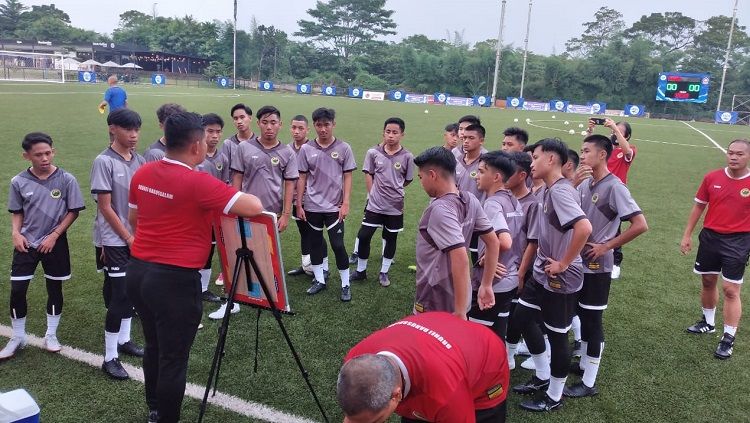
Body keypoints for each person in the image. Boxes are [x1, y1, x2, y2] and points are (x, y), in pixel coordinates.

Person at [126, 111, 263, 423]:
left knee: (154, 345)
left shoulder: (143, 173)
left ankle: (155, 409)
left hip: (138, 271)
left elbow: (134, 220)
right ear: (197, 145)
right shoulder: (199, 181)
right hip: (173, 279)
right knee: (174, 358)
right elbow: (253, 206)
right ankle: (166, 418)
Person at [566, 134, 648, 397]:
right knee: (578, 313)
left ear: (602, 155)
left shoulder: (616, 187)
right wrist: (571, 184)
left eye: (587, 151)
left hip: (597, 267)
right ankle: (582, 365)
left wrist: (606, 246)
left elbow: (640, 225)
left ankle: (589, 382)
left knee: (592, 321)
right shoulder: (584, 183)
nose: (582, 156)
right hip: (578, 262)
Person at [515, 138, 592, 412]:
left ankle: (554, 397)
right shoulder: (550, 190)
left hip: (561, 279)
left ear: (551, 160)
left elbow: (584, 228)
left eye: (535, 157)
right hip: (541, 275)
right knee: (522, 319)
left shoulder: (559, 191)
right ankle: (542, 375)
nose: (531, 162)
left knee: (558, 336)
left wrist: (563, 262)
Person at [0, 133, 85, 360]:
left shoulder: (67, 179)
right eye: (38, 155)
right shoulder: (18, 182)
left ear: (53, 152)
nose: (45, 158)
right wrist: (16, 233)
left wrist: (55, 235)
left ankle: (51, 335)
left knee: (54, 289)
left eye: (48, 153)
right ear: (27, 156)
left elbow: (73, 211)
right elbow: (17, 212)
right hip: (26, 243)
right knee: (18, 290)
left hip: (54, 243)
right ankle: (18, 337)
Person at [209, 106, 299, 319]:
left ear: (280, 125)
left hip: (270, 216)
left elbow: (289, 185)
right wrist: (233, 208)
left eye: (273, 123)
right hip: (245, 212)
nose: (269, 127)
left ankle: (269, 297)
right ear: (258, 123)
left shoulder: (287, 152)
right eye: (265, 122)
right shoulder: (244, 148)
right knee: (238, 254)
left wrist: (286, 214)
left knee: (266, 256)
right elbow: (237, 179)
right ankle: (233, 300)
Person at [338, 312, 509, 422]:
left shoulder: (445, 395)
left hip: (487, 364)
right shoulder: (355, 362)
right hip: (438, 331)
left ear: (396, 395)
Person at [90, 108, 146, 380]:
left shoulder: (140, 160)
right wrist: (127, 237)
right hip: (115, 239)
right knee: (120, 295)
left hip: (136, 238)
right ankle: (109, 356)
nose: (134, 135)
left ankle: (124, 341)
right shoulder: (104, 161)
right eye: (128, 129)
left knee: (130, 294)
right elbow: (105, 207)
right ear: (113, 129)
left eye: (137, 129)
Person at [681, 139, 750, 360]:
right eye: (731, 153)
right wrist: (687, 234)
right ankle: (708, 323)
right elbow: (699, 205)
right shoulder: (712, 177)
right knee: (708, 281)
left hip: (739, 240)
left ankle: (728, 337)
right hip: (710, 237)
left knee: (731, 289)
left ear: (747, 157)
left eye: (739, 154)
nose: (734, 157)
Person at [412, 146, 499, 319]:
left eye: (421, 177)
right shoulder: (470, 199)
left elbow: (460, 257)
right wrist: (487, 284)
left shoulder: (439, 209)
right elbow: (493, 242)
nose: (421, 183)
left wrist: (459, 312)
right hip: (461, 295)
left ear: (432, 175)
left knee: (429, 343)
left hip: (436, 298)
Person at [296, 108, 356, 301]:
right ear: (314, 126)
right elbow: (302, 177)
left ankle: (345, 284)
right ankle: (319, 280)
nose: (323, 129)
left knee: (338, 245)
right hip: (312, 206)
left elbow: (348, 176)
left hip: (334, 208)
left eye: (326, 124)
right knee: (315, 244)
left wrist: (346, 202)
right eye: (319, 125)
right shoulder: (306, 149)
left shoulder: (344, 148)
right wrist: (299, 204)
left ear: (333, 124)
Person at [349, 117, 414, 287]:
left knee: (391, 237)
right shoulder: (373, 152)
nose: (391, 135)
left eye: (395, 132)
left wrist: (395, 188)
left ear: (402, 134)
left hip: (394, 205)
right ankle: (361, 271)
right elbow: (368, 173)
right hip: (375, 204)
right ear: (383, 132)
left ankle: (384, 272)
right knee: (364, 236)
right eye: (388, 132)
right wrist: (372, 193)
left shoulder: (407, 156)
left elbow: (407, 180)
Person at [467, 151, 521, 340]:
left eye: (481, 171)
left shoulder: (492, 204)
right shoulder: (514, 200)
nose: (476, 176)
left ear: (496, 177)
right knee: (497, 332)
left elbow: (504, 242)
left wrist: (485, 260)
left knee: (475, 336)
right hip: (510, 278)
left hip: (494, 282)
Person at [213, 103, 257, 287]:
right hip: (233, 197)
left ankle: (257, 269)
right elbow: (225, 169)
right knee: (232, 236)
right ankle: (227, 270)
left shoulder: (259, 142)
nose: (239, 121)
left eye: (242, 117)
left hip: (254, 197)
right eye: (236, 118)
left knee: (256, 237)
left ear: (250, 118)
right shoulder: (229, 144)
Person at [585, 118, 635, 279]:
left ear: (626, 136)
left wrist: (615, 127)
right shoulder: (606, 151)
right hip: (597, 189)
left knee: (615, 229)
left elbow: (628, 151)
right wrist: (590, 131)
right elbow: (589, 149)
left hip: (614, 195)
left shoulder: (628, 150)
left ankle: (616, 263)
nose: (614, 133)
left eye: (619, 131)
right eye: (613, 131)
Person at [504, 151, 541, 369]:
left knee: (516, 314)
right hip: (502, 266)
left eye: (509, 172)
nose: (504, 176)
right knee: (502, 312)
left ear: (522, 175)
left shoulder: (532, 204)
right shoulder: (503, 198)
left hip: (521, 269)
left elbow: (533, 242)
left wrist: (520, 273)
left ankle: (509, 355)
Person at [194, 113, 228, 307]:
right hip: (196, 216)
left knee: (210, 250)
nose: (214, 136)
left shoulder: (222, 157)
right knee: (195, 251)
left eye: (218, 132)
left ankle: (203, 288)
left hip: (215, 215)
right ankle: (190, 287)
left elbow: (224, 185)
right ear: (201, 132)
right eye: (210, 131)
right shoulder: (194, 156)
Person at [287, 114, 326, 277]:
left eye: (301, 128)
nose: (297, 131)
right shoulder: (287, 149)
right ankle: (306, 265)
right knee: (303, 232)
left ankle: (324, 267)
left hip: (311, 200)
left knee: (315, 234)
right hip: (295, 199)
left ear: (308, 130)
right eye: (294, 128)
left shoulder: (314, 149)